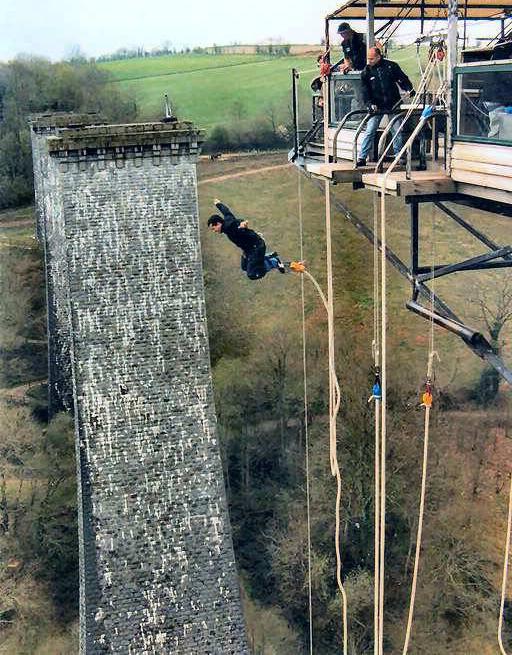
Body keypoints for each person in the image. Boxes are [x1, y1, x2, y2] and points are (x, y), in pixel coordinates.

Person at [357, 47, 415, 166]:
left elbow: (402, 79)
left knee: (397, 129)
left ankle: (398, 155)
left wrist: (409, 88)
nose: (369, 61)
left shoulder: (391, 66)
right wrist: (369, 104)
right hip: (376, 106)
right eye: (368, 58)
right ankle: (362, 157)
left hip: (393, 103)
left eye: (372, 58)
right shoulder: (366, 72)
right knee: (370, 130)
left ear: (379, 57)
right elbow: (364, 91)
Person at [207, 199, 286, 280]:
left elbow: (237, 227)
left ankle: (274, 262)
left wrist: (242, 225)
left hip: (256, 247)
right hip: (249, 249)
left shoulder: (229, 228)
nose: (214, 231)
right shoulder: (227, 219)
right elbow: (226, 212)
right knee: (244, 266)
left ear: (218, 224)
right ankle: (268, 258)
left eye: (214, 228)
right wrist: (218, 204)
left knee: (252, 274)